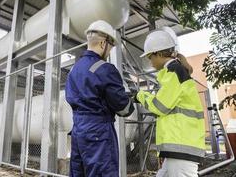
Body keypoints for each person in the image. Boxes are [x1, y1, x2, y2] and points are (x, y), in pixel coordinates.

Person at [65, 20, 134, 177]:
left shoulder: (73, 70)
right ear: (103, 43)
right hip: (99, 133)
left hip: (78, 131)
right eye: (110, 47)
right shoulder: (105, 68)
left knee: (78, 173)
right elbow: (123, 109)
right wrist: (130, 102)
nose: (109, 52)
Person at [134, 28, 205, 177]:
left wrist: (140, 96)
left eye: (150, 57)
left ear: (159, 54)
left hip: (181, 146)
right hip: (179, 145)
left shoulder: (173, 71)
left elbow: (161, 106)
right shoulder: (173, 71)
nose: (150, 62)